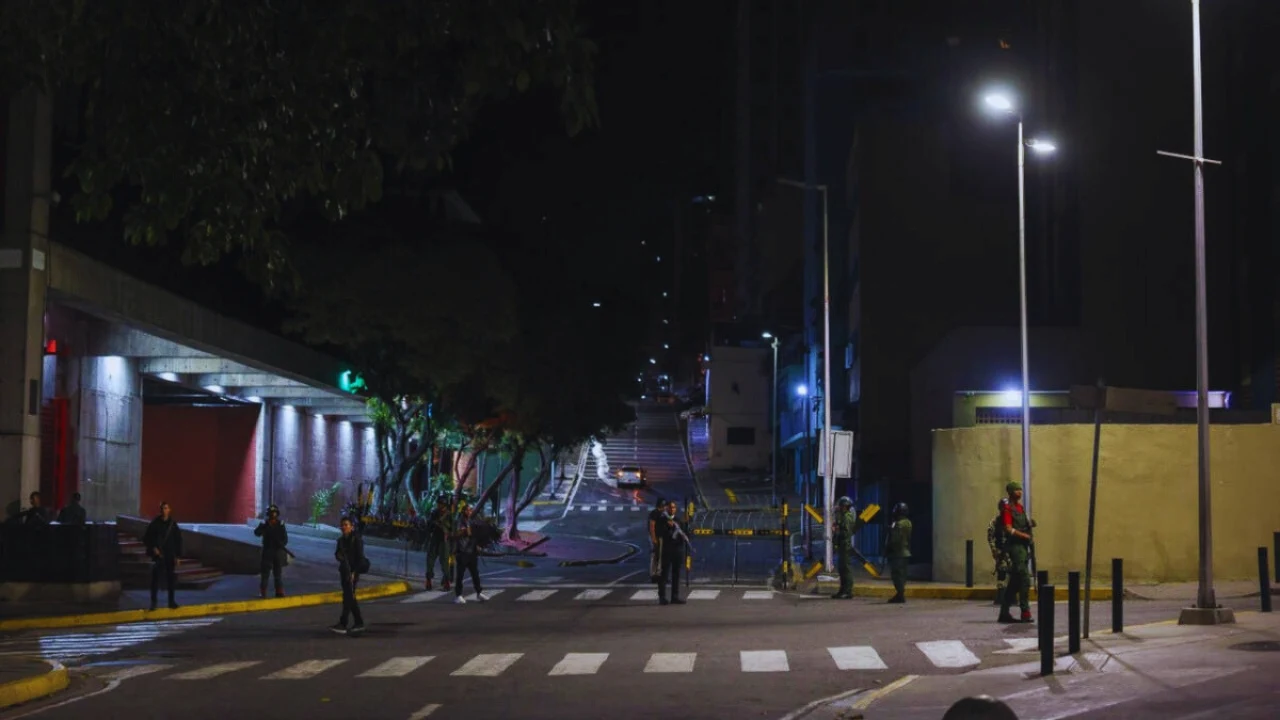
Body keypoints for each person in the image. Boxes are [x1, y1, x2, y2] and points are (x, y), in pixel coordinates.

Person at [997, 481, 1034, 624]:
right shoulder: (1008, 509)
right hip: (1015, 547)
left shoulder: (1020, 508)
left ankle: (1004, 612)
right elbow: (1008, 528)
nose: (1020, 492)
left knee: (1015, 582)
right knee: (1024, 578)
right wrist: (1023, 535)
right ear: (1011, 492)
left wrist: (1029, 525)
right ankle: (1025, 611)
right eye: (1017, 490)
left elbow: (1024, 525)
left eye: (1020, 489)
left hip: (1023, 548)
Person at [143, 501, 183, 611]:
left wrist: (178, 556)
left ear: (169, 510)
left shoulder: (173, 524)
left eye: (166, 508)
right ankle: (153, 603)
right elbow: (147, 538)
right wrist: (153, 548)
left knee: (171, 579)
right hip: (159, 555)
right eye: (162, 508)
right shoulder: (155, 523)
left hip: (170, 555)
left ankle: (171, 602)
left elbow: (178, 540)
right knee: (155, 580)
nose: (164, 510)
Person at [332, 516, 367, 635]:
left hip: (353, 572)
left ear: (352, 526)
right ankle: (356, 622)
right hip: (344, 571)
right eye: (342, 525)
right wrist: (340, 557)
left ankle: (347, 622)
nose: (344, 527)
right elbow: (337, 554)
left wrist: (354, 572)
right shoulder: (341, 540)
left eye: (346, 525)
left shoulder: (356, 540)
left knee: (348, 597)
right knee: (348, 597)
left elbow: (361, 558)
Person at [451, 505, 487, 604]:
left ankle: (479, 592)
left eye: (470, 510)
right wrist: (465, 532)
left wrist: (477, 545)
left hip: (471, 552)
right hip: (462, 551)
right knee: (460, 575)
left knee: (475, 574)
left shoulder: (471, 521)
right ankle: (458, 595)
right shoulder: (460, 521)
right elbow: (457, 534)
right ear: (463, 511)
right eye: (467, 510)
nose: (469, 511)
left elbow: (474, 534)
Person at [656, 500, 690, 605]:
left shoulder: (677, 520)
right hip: (667, 550)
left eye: (674, 507)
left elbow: (684, 533)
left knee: (676, 574)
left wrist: (685, 526)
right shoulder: (662, 520)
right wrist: (669, 528)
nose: (672, 509)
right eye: (670, 507)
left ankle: (674, 596)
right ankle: (662, 597)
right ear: (666, 508)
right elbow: (660, 533)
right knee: (664, 575)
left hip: (677, 551)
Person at [254, 504, 289, 598]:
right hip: (269, 551)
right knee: (268, 573)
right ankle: (268, 592)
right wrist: (262, 526)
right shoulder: (266, 525)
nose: (273, 516)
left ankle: (276, 592)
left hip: (273, 552)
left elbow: (285, 539)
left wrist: (281, 544)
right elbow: (257, 533)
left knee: (274, 573)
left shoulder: (280, 524)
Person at [424, 493, 453, 591]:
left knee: (445, 562)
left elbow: (453, 529)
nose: (438, 505)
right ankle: (428, 581)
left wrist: (447, 533)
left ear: (444, 504)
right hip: (435, 539)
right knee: (430, 560)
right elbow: (429, 527)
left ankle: (447, 582)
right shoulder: (434, 513)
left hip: (444, 541)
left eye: (440, 503)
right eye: (438, 503)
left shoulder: (449, 515)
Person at [885, 502, 912, 604]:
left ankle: (900, 594)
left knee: (896, 575)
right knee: (902, 575)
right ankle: (900, 594)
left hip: (898, 553)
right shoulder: (908, 523)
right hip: (905, 552)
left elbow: (894, 539)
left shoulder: (898, 524)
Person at [986, 498, 1011, 606]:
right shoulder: (995, 522)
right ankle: (1000, 597)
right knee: (1002, 572)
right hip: (1000, 550)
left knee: (1013, 572)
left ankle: (1011, 596)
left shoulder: (1012, 521)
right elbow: (990, 537)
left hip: (1011, 551)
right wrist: (994, 550)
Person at [832, 496, 856, 599]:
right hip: (842, 545)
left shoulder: (847, 517)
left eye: (841, 506)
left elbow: (845, 533)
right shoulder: (843, 516)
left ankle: (848, 591)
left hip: (845, 545)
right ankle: (842, 590)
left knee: (846, 569)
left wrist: (837, 530)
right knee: (842, 569)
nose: (840, 508)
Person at [647, 496, 666, 582]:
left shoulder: (663, 514)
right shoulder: (654, 513)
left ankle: (659, 574)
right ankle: (653, 574)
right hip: (656, 537)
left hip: (661, 537)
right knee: (655, 555)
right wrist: (654, 539)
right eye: (664, 505)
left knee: (661, 556)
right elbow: (652, 527)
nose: (665, 507)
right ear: (661, 505)